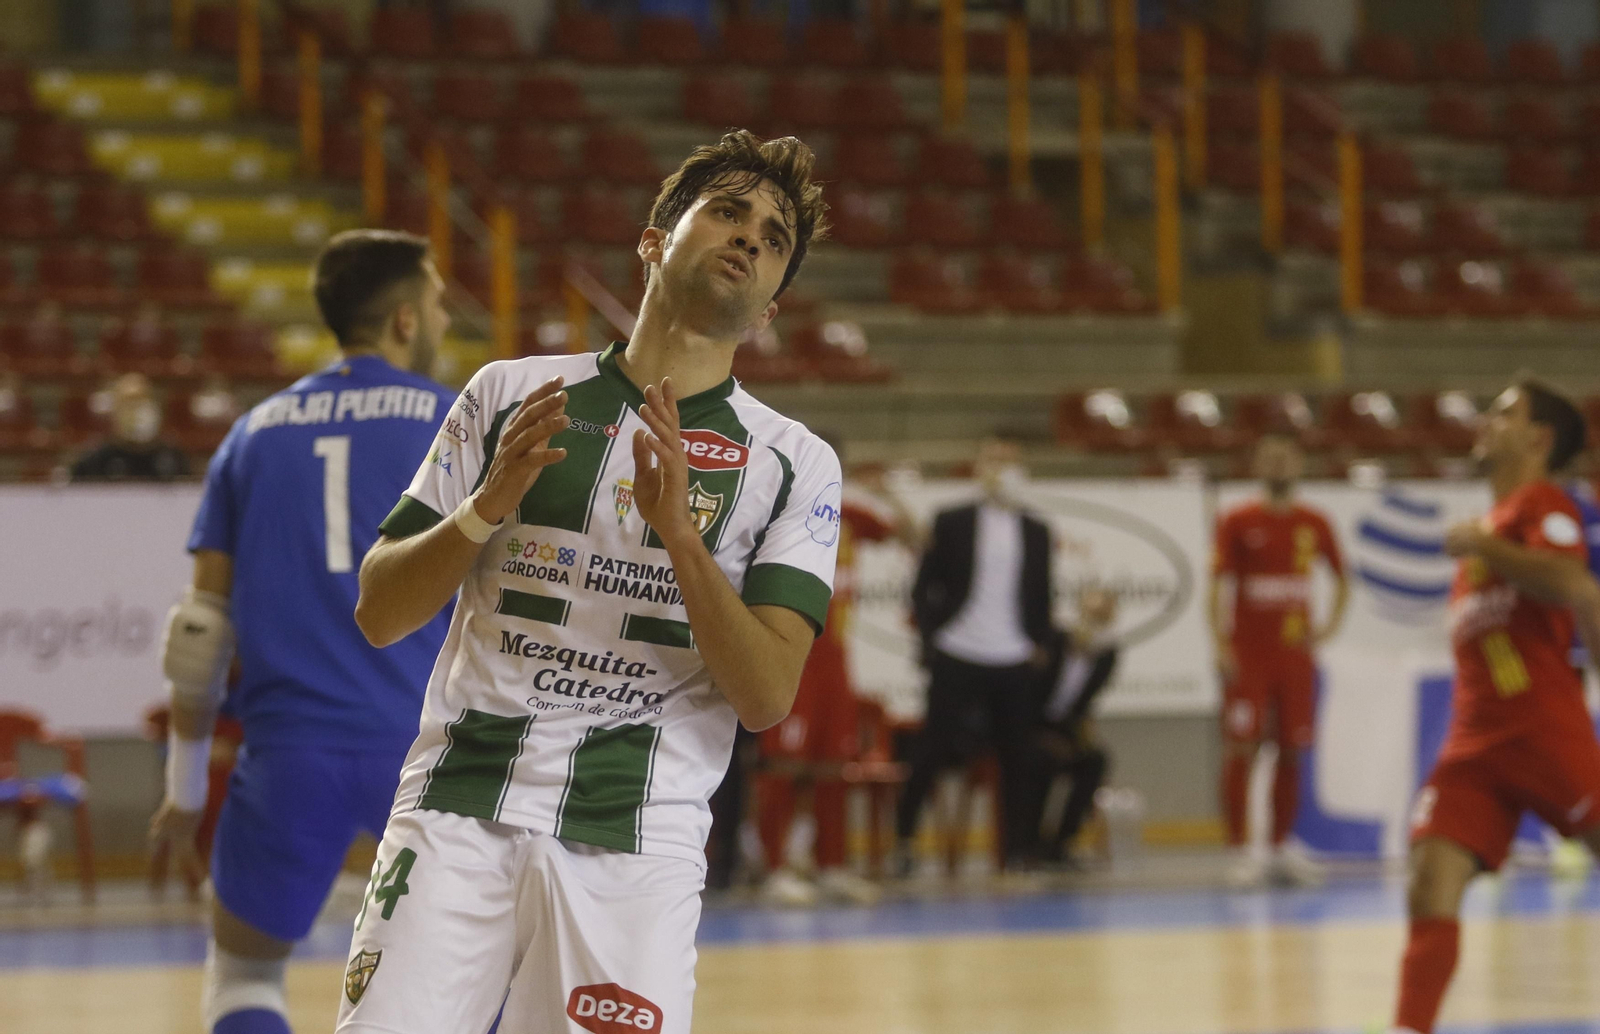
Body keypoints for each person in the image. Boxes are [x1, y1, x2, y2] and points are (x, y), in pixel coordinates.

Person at [340, 131, 836, 1034]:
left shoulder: (797, 463)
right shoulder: (510, 393)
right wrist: (486, 509)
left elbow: (766, 696)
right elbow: (379, 609)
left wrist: (682, 538)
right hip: (460, 801)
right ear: (654, 240)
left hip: (637, 836)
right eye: (727, 211)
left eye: (773, 240)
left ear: (769, 311)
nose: (749, 238)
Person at [148, 229, 457, 1034]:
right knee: (468, 985)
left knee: (245, 973)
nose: (446, 322)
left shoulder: (252, 433)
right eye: (437, 306)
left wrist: (182, 792)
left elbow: (199, 633)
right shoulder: (456, 420)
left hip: (288, 756)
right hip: (429, 758)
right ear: (402, 322)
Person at [1388, 380, 1600, 1034]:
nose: (1487, 419)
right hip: (1473, 746)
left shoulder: (1543, 505)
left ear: (1538, 440)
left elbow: (1572, 584)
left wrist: (1482, 544)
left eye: (1506, 412)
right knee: (1429, 880)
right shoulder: (1491, 530)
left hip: (1543, 731)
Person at [757, 456, 920, 905]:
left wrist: (887, 494)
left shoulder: (851, 514)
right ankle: (774, 868)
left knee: (833, 766)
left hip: (836, 658)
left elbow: (915, 538)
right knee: (785, 765)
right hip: (793, 651)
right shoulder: (777, 506)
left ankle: (831, 866)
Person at [893, 437, 1055, 874]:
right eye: (993, 460)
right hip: (958, 650)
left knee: (1019, 756)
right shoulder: (952, 520)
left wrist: (1037, 642)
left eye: (1009, 460)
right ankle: (905, 841)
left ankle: (1018, 851)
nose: (1000, 468)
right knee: (931, 748)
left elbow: (1041, 593)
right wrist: (932, 638)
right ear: (979, 466)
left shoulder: (1037, 531)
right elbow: (923, 588)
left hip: (1013, 655)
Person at [1210, 433, 1348, 887]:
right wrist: (1220, 643)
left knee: (1292, 749)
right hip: (1250, 655)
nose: (1278, 465)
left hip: (1294, 659)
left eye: (1286, 458)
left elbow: (1343, 578)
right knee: (1243, 747)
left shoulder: (1315, 522)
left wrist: (1327, 628)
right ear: (1256, 465)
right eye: (1269, 457)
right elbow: (1216, 585)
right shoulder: (1236, 520)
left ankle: (1279, 848)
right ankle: (1237, 849)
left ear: (1300, 464)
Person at [1026, 585, 1120, 869]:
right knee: (1043, 759)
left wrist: (1079, 738)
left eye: (1102, 617)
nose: (1094, 623)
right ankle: (1030, 843)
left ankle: (1062, 843)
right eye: (1090, 614)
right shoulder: (1052, 641)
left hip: (1065, 726)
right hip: (1029, 724)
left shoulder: (1107, 656)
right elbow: (1024, 693)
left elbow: (1083, 705)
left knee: (1095, 761)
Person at [70, 372, 190, 481]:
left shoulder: (174, 458)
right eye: (128, 403)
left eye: (141, 401)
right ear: (115, 411)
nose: (135, 411)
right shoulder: (94, 461)